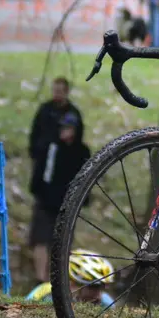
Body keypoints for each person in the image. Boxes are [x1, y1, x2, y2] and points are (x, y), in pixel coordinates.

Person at [28, 110, 91, 286]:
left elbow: (85, 176)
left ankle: (56, 279)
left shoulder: (81, 151)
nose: (66, 131)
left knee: (62, 241)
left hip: (67, 205)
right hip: (45, 201)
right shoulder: (50, 146)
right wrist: (38, 191)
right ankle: (40, 278)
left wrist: (82, 200)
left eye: (70, 128)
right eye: (63, 127)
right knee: (41, 239)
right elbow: (41, 171)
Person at [25, 248, 116, 307]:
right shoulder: (45, 294)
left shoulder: (106, 303)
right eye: (93, 287)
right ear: (72, 283)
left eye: (102, 287)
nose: (99, 295)